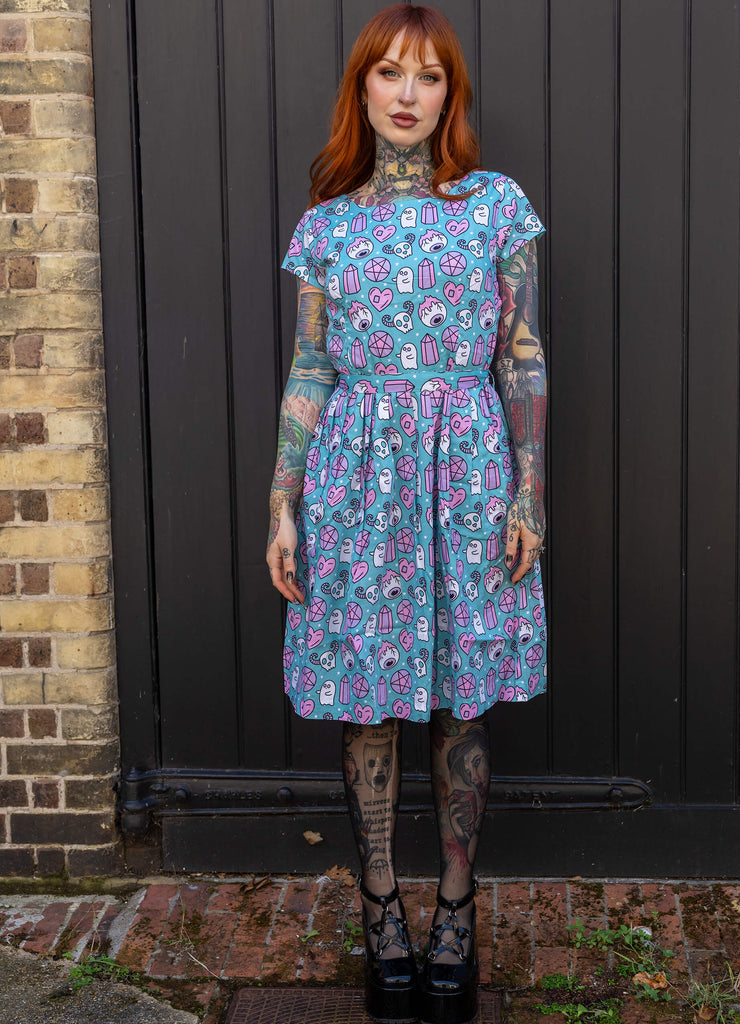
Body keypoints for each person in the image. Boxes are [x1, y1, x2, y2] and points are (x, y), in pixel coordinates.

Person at [267, 6, 547, 1022]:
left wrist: (529, 490)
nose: (405, 93)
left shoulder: (496, 208)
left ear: (449, 97)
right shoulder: (329, 223)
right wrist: (280, 501)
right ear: (363, 90)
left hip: (469, 474)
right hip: (356, 478)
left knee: (460, 697)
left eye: (427, 77)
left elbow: (522, 355)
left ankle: (456, 913)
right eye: (387, 73)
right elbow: (311, 365)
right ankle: (382, 913)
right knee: (369, 695)